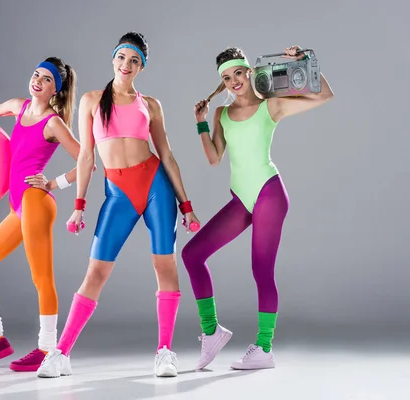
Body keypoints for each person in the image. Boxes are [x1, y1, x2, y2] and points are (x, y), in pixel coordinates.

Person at [36, 32, 200, 379]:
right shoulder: (93, 101)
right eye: (122, 58)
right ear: (113, 59)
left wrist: (186, 206)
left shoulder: (150, 105)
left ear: (141, 67)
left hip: (156, 186)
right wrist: (79, 204)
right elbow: (85, 155)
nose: (126, 65)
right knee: (95, 272)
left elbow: (167, 155)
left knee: (165, 267)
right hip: (118, 193)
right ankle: (61, 353)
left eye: (134, 61)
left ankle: (165, 352)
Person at [181, 46, 334, 370]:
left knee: (261, 270)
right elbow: (213, 158)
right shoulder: (221, 114)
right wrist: (201, 123)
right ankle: (211, 332)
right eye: (226, 77)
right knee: (192, 255)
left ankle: (264, 347)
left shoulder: (271, 105)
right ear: (222, 83)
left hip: (269, 192)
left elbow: (325, 95)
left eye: (238, 73)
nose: (234, 81)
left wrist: (302, 62)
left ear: (250, 72)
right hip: (241, 197)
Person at [0, 56, 86, 372]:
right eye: (36, 74)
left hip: (35, 200)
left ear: (54, 90)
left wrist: (55, 183)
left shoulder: (53, 122)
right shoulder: (18, 107)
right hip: (19, 206)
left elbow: (88, 160)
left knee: (41, 276)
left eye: (46, 80)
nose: (37, 81)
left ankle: (47, 349)